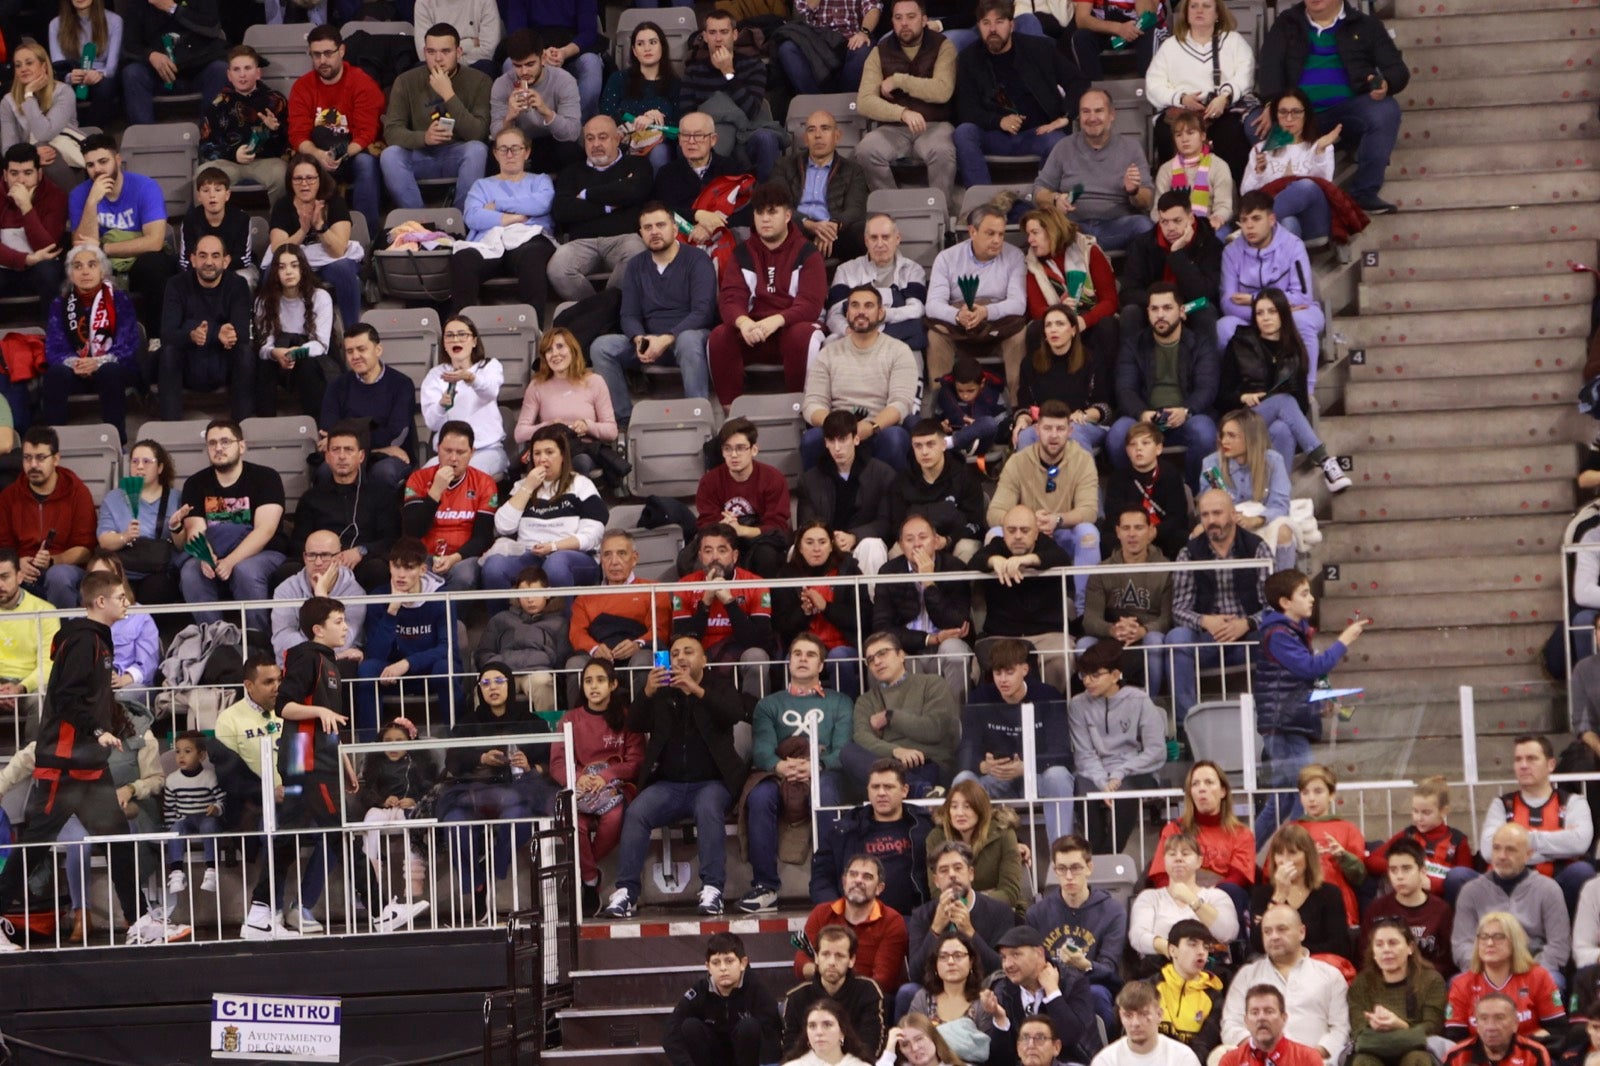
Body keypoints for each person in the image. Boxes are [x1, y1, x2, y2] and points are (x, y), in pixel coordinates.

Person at [0, 571, 187, 951]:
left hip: (89, 765)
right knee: (34, 848)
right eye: (120, 597)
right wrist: (98, 730)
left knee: (118, 843)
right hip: (63, 764)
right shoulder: (84, 640)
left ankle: (139, 923)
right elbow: (67, 697)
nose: (126, 603)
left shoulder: (94, 641)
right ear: (100, 602)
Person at [601, 633, 748, 919]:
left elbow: (733, 713)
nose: (681, 657)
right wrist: (646, 692)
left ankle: (712, 889)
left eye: (689, 652)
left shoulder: (719, 685)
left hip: (712, 782)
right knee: (637, 811)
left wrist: (696, 690)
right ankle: (626, 892)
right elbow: (634, 723)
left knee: (708, 809)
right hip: (668, 784)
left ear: (704, 660)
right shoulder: (662, 691)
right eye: (676, 652)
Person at [1253, 0, 1406, 216]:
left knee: (1385, 110)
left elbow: (1397, 70)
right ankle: (1270, 200)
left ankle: (1363, 193)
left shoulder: (1365, 25)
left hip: (1346, 113)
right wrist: (1271, 103)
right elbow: (1269, 67)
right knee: (1255, 127)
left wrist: (1386, 83)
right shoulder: (1287, 23)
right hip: (1297, 115)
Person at [739, 633, 856, 913]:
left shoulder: (840, 702)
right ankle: (765, 887)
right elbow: (763, 751)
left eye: (810, 654)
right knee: (759, 797)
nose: (802, 659)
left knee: (825, 791)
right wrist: (781, 767)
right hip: (782, 771)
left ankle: (832, 881)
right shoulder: (769, 704)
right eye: (797, 654)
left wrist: (816, 765)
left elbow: (843, 750)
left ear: (821, 665)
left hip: (825, 770)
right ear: (788, 662)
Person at [1252, 569, 1369, 837]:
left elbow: (1300, 679)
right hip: (1285, 725)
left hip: (1290, 723)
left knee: (1283, 801)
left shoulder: (1291, 632)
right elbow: (1310, 668)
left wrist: (1322, 701)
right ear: (1285, 603)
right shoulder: (1279, 634)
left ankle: (1245, 861)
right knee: (1305, 794)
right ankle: (1299, 850)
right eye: (1304, 594)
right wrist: (1343, 641)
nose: (1312, 599)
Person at [588, 203, 718, 430]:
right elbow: (629, 313)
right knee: (602, 346)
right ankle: (623, 420)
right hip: (650, 340)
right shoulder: (636, 265)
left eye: (660, 225)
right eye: (647, 228)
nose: (654, 231)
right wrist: (639, 338)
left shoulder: (697, 259)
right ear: (641, 234)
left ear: (675, 229)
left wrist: (666, 338)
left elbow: (703, 311)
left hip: (689, 338)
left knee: (688, 340)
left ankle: (699, 415)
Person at [434, 661, 546, 925]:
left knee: (519, 817)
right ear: (479, 690)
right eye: (485, 683)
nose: (492, 688)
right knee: (454, 823)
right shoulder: (468, 723)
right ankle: (477, 886)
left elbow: (548, 760)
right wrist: (481, 757)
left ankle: (489, 870)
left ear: (509, 684)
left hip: (515, 792)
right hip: (474, 792)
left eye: (499, 681)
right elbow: (453, 760)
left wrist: (530, 765)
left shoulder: (530, 721)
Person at [710, 181, 827, 405]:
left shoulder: (808, 253)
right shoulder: (743, 252)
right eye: (760, 212)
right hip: (753, 332)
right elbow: (730, 299)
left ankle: (801, 408)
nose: (765, 219)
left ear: (787, 215)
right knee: (719, 335)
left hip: (791, 329)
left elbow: (811, 305)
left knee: (803, 335)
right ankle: (731, 413)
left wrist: (777, 320)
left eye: (772, 212)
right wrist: (744, 323)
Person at [952, 0, 1089, 189]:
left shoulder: (1040, 48)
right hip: (994, 135)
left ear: (1011, 24)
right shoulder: (969, 58)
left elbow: (1078, 82)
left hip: (1038, 133)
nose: (992, 29)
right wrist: (998, 121)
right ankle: (980, 201)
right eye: (986, 23)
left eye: (999, 22)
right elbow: (966, 109)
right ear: (978, 27)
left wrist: (1065, 117)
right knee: (963, 132)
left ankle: (1046, 200)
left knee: (1057, 142)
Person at [1222, 288, 1350, 489]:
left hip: (1274, 425)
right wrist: (1243, 397)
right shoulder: (1239, 343)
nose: (1265, 318)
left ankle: (1276, 493)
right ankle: (1324, 461)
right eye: (1260, 312)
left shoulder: (1294, 350)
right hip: (1242, 422)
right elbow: (1220, 396)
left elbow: (1301, 403)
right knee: (1284, 401)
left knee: (1283, 429)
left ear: (1283, 313)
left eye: (1272, 311)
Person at [954, 637, 1075, 849]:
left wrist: (1027, 767)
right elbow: (967, 747)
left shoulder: (1047, 695)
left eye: (1009, 672)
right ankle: (965, 856)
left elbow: (1061, 751)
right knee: (963, 780)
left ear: (1025, 669)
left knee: (1059, 776)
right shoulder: (979, 698)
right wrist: (982, 765)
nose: (1003, 679)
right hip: (996, 778)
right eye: (997, 673)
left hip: (1037, 776)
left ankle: (1062, 855)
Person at [1167, 489, 1273, 727]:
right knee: (1177, 638)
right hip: (1207, 639)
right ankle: (1189, 725)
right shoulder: (1189, 553)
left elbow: (1272, 606)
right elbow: (1179, 609)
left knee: (1274, 634)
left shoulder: (1257, 548)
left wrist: (1246, 623)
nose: (1211, 520)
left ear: (1233, 514)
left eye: (1217, 513)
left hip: (1247, 635)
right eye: (1205, 515)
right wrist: (1205, 621)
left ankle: (1267, 719)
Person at [550, 657, 645, 914]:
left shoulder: (627, 718)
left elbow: (636, 762)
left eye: (600, 680)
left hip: (616, 788)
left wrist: (608, 775)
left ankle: (580, 872)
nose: (594, 687)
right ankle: (590, 879)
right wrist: (578, 777)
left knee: (615, 817)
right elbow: (558, 762)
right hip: (580, 789)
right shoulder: (570, 719)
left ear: (613, 684)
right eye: (588, 681)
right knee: (574, 824)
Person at [987, 398, 1100, 615]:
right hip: (1028, 537)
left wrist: (1057, 520)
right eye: (1048, 428)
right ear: (1037, 430)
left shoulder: (1083, 459)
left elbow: (1089, 510)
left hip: (1064, 533)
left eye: (1060, 429)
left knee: (1088, 533)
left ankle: (1083, 612)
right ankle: (1001, 611)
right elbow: (994, 513)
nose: (1054, 435)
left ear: (1070, 430)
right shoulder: (1018, 461)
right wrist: (1029, 523)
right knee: (994, 534)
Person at [175, 419, 288, 635]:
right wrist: (204, 555)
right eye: (212, 443)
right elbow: (194, 528)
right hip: (215, 551)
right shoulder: (195, 483)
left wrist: (230, 561)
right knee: (191, 571)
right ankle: (214, 640)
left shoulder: (266, 478)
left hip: (263, 552)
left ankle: (258, 641)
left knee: (245, 571)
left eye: (225, 441)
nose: (218, 448)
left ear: (241, 446)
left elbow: (265, 530)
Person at [1107, 283, 1221, 488]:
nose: (1160, 315)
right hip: (1145, 419)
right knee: (1116, 435)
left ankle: (1196, 494)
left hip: (1186, 417)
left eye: (1167, 308)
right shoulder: (1134, 345)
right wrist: (1142, 413)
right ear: (1148, 313)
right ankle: (1136, 492)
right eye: (1154, 309)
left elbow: (1207, 386)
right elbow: (1125, 388)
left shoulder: (1199, 343)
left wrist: (1186, 410)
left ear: (1182, 311)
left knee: (1205, 433)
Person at [69, 132, 178, 338]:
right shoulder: (79, 195)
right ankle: (88, 343)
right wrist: (92, 202)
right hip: (104, 268)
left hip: (140, 264)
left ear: (117, 160)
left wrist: (104, 248)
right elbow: (81, 249)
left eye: (103, 161)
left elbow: (154, 242)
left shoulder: (145, 187)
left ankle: (158, 339)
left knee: (155, 265)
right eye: (91, 165)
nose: (97, 169)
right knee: (79, 269)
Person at [802, 286, 920, 472]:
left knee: (895, 438)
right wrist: (838, 428)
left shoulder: (899, 351)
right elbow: (812, 404)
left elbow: (901, 404)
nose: (861, 312)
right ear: (847, 313)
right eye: (855, 306)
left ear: (881, 313)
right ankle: (819, 499)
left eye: (868, 306)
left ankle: (893, 500)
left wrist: (871, 427)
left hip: (879, 429)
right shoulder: (828, 353)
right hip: (837, 432)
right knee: (812, 439)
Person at [1478, 735, 1597, 915]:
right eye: (1518, 759)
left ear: (1551, 764)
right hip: (1510, 881)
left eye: (1531, 758)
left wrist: (1518, 842)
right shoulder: (1501, 805)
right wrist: (1557, 846)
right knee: (1459, 877)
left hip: (1558, 883)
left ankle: (1569, 938)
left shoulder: (1573, 802)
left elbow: (1579, 843)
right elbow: (1488, 851)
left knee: (1581, 871)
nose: (1523, 765)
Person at [379, 23, 492, 213]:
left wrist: (448, 95)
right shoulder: (406, 81)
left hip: (456, 154)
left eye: (445, 51)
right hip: (421, 155)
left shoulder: (480, 80)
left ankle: (460, 221)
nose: (438, 59)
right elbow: (391, 132)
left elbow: (478, 133)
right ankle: (421, 222)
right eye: (431, 52)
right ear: (424, 52)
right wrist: (424, 137)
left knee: (477, 150)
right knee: (389, 155)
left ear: (459, 52)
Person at [1068, 639, 1167, 853]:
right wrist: (1104, 782)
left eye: (1095, 675)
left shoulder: (1139, 699)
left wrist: (1120, 773)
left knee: (1125, 793)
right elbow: (1084, 754)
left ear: (1115, 675)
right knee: (1084, 793)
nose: (1087, 681)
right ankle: (1100, 858)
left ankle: (1107, 858)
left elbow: (1156, 751)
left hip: (1134, 770)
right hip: (1094, 773)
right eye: (1084, 675)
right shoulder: (1077, 704)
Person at [355, 538, 462, 736]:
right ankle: (369, 751)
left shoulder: (441, 597)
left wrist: (407, 663)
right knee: (368, 669)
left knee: (445, 668)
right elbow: (375, 653)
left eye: (409, 568)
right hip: (392, 675)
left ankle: (459, 740)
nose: (401, 575)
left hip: (428, 671)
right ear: (389, 566)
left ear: (422, 570)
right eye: (396, 567)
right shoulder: (379, 596)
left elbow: (446, 648)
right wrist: (392, 610)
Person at [1215, 192, 1323, 388]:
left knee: (1303, 321)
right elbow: (1228, 302)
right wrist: (1261, 314)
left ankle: (1307, 390)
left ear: (1271, 219)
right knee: (1224, 328)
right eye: (1244, 220)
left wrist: (1255, 300)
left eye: (1256, 219)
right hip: (1251, 316)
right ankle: (1236, 393)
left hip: (1294, 313)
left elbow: (1302, 297)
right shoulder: (1231, 252)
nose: (1249, 226)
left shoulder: (1293, 246)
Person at [449, 126, 557, 316]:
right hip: (488, 243)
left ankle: (534, 330)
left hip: (529, 240)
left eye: (515, 148)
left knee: (533, 257)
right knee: (463, 259)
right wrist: (514, 218)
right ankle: (461, 329)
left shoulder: (540, 181)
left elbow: (542, 204)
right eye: (503, 149)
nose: (509, 154)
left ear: (527, 152)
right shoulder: (481, 186)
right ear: (495, 154)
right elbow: (472, 216)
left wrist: (498, 205)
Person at [924, 205, 1028, 400]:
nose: (997, 240)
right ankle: (942, 405)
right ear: (973, 231)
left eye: (1001, 234)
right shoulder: (947, 258)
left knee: (1019, 334)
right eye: (990, 233)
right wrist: (957, 315)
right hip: (958, 326)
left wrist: (986, 312)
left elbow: (1018, 304)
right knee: (935, 335)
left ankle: (1018, 406)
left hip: (997, 326)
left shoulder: (1015, 256)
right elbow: (933, 305)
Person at [854, 0, 957, 196]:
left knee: (942, 152)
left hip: (935, 125)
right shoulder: (879, 51)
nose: (904, 23)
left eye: (911, 17)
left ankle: (939, 213)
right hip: (893, 127)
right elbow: (865, 101)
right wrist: (902, 113)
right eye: (898, 18)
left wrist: (900, 81)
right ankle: (892, 209)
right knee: (865, 150)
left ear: (924, 19)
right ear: (892, 21)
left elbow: (943, 90)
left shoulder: (943, 46)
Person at [1220, 906, 1351, 1061]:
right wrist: (1263, 1055)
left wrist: (1306, 1058)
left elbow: (1341, 1029)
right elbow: (1231, 1026)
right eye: (1267, 931)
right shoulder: (1247, 975)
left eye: (1282, 929)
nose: (1274, 936)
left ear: (1302, 932)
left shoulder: (1330, 976)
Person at [488, 424, 608, 591]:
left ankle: (564, 617)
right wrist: (528, 487)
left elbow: (592, 535)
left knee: (556, 563)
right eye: (537, 453)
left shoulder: (581, 484)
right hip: (530, 555)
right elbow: (503, 527)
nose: (542, 459)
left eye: (549, 452)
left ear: (563, 455)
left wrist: (554, 546)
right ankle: (502, 617)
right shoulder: (522, 486)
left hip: (573, 556)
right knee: (494, 566)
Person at [547, 116, 654, 302]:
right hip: (581, 243)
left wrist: (587, 194)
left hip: (624, 238)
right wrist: (609, 204)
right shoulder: (571, 172)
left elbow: (635, 192)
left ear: (617, 139)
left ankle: (606, 309)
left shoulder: (637, 164)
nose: (596, 144)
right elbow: (562, 211)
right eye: (590, 138)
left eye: (603, 137)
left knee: (637, 257)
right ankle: (597, 309)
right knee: (557, 268)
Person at [1035, 89, 1156, 253]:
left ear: (1112, 115)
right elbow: (1039, 191)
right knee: (1043, 230)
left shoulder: (1131, 148)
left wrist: (1134, 191)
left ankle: (1132, 279)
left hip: (1116, 227)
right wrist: (1055, 199)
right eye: (1086, 112)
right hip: (1073, 228)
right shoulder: (1063, 146)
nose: (1092, 118)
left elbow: (1147, 200)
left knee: (1144, 226)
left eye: (1098, 111)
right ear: (1079, 116)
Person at [842, 635, 961, 800]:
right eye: (870, 659)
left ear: (901, 655)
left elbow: (934, 729)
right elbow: (862, 737)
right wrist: (896, 751)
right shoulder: (866, 701)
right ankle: (920, 791)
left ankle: (916, 789)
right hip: (886, 766)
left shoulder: (932, 683)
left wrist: (890, 717)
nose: (876, 662)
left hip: (926, 762)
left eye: (883, 653)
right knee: (848, 752)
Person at [1143, 0, 1253, 180]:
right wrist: (1181, 98)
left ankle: (1230, 197)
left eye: (1206, 6)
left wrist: (1225, 96)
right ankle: (1176, 198)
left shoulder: (1233, 41)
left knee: (1231, 133)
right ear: (1186, 13)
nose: (1199, 10)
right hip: (1182, 111)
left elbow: (1245, 74)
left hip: (1221, 110)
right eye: (1193, 6)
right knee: (1166, 131)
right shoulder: (1171, 46)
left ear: (1217, 14)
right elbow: (1154, 84)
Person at [288, 26, 384, 230]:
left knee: (366, 165)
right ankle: (302, 230)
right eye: (316, 54)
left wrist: (340, 154)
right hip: (317, 151)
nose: (322, 60)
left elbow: (367, 132)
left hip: (353, 151)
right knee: (298, 168)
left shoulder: (361, 83)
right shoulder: (302, 87)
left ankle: (367, 234)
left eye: (328, 53)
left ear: (341, 51)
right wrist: (319, 154)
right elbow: (297, 134)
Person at [1029, 834, 1130, 1027]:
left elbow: (1109, 968)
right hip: (1051, 984)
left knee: (1096, 995)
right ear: (1054, 870)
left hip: (1094, 984)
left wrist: (1085, 965)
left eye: (1075, 868)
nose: (1069, 876)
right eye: (1062, 868)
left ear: (1089, 868)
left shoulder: (1112, 911)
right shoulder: (1037, 913)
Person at [871, 514, 975, 699]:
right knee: (895, 657)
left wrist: (928, 582)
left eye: (923, 538)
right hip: (909, 648)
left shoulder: (954, 567)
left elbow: (958, 623)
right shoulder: (889, 571)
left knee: (954, 650)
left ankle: (956, 721)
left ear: (936, 541)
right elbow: (883, 628)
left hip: (947, 645)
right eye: (909, 540)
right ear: (901, 545)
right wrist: (930, 639)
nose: (917, 544)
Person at [43, 245, 139, 443]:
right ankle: (52, 443)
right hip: (75, 371)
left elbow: (128, 343)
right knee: (55, 374)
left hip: (113, 368)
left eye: (91, 265)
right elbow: (54, 347)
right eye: (78, 266)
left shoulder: (119, 299)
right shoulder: (59, 304)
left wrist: (98, 362)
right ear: (70, 274)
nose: (85, 271)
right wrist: (74, 363)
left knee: (110, 371)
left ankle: (116, 441)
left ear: (102, 270)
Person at [287, 422, 400, 591]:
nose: (341, 456)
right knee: (286, 571)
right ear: (327, 456)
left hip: (363, 560)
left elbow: (391, 539)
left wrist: (361, 551)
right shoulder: (311, 497)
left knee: (378, 569)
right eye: (335, 450)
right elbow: (298, 542)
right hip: (319, 560)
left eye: (348, 450)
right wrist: (322, 557)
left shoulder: (381, 495)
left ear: (361, 456)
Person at [971, 505, 1073, 692]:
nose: (1018, 536)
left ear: (1036, 533)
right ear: (1003, 532)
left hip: (1047, 634)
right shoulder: (997, 547)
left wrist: (1028, 560)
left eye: (1025, 531)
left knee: (1062, 658)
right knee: (978, 665)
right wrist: (994, 561)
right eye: (1011, 530)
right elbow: (974, 562)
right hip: (1002, 634)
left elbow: (1061, 558)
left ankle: (1051, 711)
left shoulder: (1048, 546)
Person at [813, 758, 932, 917]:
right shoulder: (844, 829)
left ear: (904, 790)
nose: (881, 793)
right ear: (868, 790)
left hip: (914, 920)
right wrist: (836, 913)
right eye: (875, 787)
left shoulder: (924, 825)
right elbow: (821, 878)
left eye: (888, 787)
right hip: (859, 923)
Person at [564, 529, 674, 700]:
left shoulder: (654, 590)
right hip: (600, 658)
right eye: (607, 555)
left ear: (634, 558)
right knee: (575, 664)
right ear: (600, 560)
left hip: (639, 653)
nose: (614, 562)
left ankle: (642, 722)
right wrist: (594, 649)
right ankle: (579, 723)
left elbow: (661, 630)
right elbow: (577, 633)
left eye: (622, 554)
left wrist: (638, 644)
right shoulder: (584, 596)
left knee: (644, 661)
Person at [157, 233, 255, 422]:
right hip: (189, 364)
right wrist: (201, 333)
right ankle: (170, 427)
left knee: (245, 352)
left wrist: (190, 327)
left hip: (222, 364)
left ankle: (244, 425)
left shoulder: (238, 284)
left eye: (215, 256)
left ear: (226, 261)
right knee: (169, 352)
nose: (209, 262)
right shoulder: (176, 285)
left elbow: (241, 335)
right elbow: (167, 334)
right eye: (202, 256)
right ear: (193, 260)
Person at [676, 11, 785, 181]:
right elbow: (686, 116)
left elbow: (752, 111)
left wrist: (728, 73)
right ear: (704, 37)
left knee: (767, 139)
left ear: (734, 35)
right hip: (711, 136)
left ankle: (766, 199)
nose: (718, 39)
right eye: (712, 33)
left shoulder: (754, 66)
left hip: (748, 131)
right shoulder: (694, 71)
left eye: (724, 32)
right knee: (691, 142)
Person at [1452, 826, 1570, 980]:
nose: (1502, 856)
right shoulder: (1471, 891)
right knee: (1456, 983)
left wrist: (1528, 973)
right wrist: (1491, 972)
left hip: (1533, 969)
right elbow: (1461, 946)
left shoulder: (1548, 889)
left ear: (1528, 855)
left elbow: (1559, 946)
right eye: (1496, 848)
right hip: (1485, 969)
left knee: (1554, 981)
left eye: (1510, 850)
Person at [672, 524, 775, 699]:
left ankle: (753, 716)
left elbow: (759, 642)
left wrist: (729, 602)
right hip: (701, 656)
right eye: (708, 551)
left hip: (739, 655)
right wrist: (706, 602)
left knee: (757, 656)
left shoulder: (755, 583)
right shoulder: (685, 585)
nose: (715, 557)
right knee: (683, 655)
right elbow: (683, 639)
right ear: (700, 556)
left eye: (722, 550)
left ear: (734, 556)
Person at [354, 716, 438, 927]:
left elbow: (430, 788)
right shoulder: (376, 765)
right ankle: (369, 880)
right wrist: (382, 800)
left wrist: (414, 800)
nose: (393, 746)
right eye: (387, 741)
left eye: (399, 740)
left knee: (411, 821)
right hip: (384, 808)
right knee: (370, 818)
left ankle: (413, 882)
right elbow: (367, 791)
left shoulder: (418, 764)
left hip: (407, 808)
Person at [1147, 760, 1256, 923]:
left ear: (1223, 791)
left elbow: (1238, 877)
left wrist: (1205, 898)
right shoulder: (1174, 829)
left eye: (1209, 782)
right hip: (1180, 898)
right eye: (1195, 784)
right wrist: (1184, 896)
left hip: (1222, 900)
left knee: (1232, 891)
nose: (1202, 788)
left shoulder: (1242, 834)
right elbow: (1161, 875)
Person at [1078, 506, 1172, 694]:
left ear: (1151, 531)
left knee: (1154, 641)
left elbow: (1167, 618)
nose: (1132, 534)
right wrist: (1112, 629)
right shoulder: (1101, 570)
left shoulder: (1165, 568)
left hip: (1147, 634)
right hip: (1111, 635)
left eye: (1138, 528)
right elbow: (1090, 619)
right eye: (1126, 528)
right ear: (1118, 532)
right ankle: (1094, 703)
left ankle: (1151, 703)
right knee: (1083, 645)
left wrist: (1144, 630)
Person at [0, 427, 94, 611]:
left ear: (56, 459)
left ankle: (65, 636)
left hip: (65, 568)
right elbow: (4, 545)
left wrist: (54, 560)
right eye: (27, 458)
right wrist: (17, 562)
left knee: (57, 576)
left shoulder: (77, 492)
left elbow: (86, 548)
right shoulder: (9, 497)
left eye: (41, 458)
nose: (33, 465)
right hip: (22, 569)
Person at [270, 153, 365, 331]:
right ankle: (276, 332)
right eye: (298, 179)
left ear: (319, 179)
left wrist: (320, 226)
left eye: (310, 178)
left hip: (329, 263)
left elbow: (338, 250)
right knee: (270, 272)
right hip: (296, 264)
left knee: (344, 269)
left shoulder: (335, 202)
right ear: (290, 181)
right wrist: (303, 230)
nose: (304, 184)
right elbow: (278, 251)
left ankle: (353, 332)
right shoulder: (283, 205)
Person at [400, 422, 501, 592]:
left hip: (463, 556)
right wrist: (435, 492)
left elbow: (483, 537)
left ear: (472, 453)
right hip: (423, 555)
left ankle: (451, 618)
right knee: (408, 574)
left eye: (461, 452)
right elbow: (412, 531)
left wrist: (454, 558)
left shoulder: (485, 483)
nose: (453, 458)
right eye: (447, 451)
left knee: (464, 577)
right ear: (438, 449)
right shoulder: (418, 478)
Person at [1022, 211, 1120, 384]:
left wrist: (1083, 321)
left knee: (1108, 325)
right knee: (1035, 330)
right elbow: (1037, 310)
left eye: (1034, 233)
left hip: (1090, 319)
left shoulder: (1088, 251)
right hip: (1056, 322)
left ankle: (1105, 396)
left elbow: (1110, 301)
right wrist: (1059, 313)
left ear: (1052, 230)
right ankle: (1044, 395)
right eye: (1028, 234)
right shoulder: (1033, 264)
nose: (1030, 240)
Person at [771, 527, 869, 697]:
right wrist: (803, 612)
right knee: (793, 658)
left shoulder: (849, 570)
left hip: (845, 645)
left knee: (839, 656)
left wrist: (826, 607)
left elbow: (863, 617)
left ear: (831, 546)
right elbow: (782, 626)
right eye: (809, 542)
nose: (816, 548)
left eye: (822, 542)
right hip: (806, 644)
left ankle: (847, 711)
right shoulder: (787, 574)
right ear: (799, 548)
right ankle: (793, 714)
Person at [798, 410, 897, 578]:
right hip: (824, 544)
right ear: (825, 443)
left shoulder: (882, 473)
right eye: (832, 440)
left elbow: (885, 522)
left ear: (856, 439)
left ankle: (871, 603)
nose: (837, 448)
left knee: (872, 546)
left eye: (843, 440)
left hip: (861, 544)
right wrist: (827, 540)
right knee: (797, 548)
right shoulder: (809, 479)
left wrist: (854, 537)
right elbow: (806, 523)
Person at [907, 842, 1019, 990]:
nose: (952, 875)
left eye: (958, 868)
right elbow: (915, 974)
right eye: (944, 870)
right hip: (939, 989)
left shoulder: (1000, 911)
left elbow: (1001, 968)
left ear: (971, 873)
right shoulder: (921, 915)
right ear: (936, 881)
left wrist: (969, 931)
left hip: (985, 988)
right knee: (907, 992)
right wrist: (936, 928)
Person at [985, 925, 1102, 1066]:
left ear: (1039, 953)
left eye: (1016, 955)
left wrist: (1053, 993)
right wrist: (1000, 1019)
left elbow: (1071, 1037)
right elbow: (999, 1060)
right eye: (1003, 958)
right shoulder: (1003, 990)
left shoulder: (1073, 982)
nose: (1007, 964)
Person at [663, 932, 785, 1066]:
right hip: (712, 1059)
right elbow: (670, 1032)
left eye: (729, 961)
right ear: (708, 967)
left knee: (749, 1026)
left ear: (743, 963)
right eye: (716, 963)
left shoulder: (757, 989)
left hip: (747, 1058)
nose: (723, 968)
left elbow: (772, 1034)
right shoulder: (700, 991)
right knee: (690, 1026)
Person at [692, 418, 793, 579]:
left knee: (767, 556)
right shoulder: (709, 481)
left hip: (758, 539)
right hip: (722, 537)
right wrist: (724, 528)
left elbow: (777, 526)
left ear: (754, 450)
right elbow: (706, 521)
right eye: (727, 449)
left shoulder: (773, 478)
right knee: (691, 558)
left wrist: (741, 530)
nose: (734, 455)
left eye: (740, 448)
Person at [319, 324, 417, 490]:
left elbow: (397, 433)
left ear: (378, 350)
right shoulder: (337, 386)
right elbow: (330, 430)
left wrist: (352, 440)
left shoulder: (401, 384)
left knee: (382, 473)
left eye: (361, 349)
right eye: (350, 351)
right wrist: (378, 448)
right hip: (350, 454)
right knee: (325, 472)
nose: (355, 356)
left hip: (388, 459)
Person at [512, 329, 617, 481]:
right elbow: (520, 433)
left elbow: (612, 431)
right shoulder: (537, 385)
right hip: (549, 451)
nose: (554, 354)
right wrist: (548, 426)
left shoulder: (595, 382)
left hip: (582, 449)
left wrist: (587, 426)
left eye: (560, 346)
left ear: (572, 350)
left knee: (579, 463)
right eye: (549, 350)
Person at [1445, 912, 1566, 1043]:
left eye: (1498, 937)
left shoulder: (1538, 977)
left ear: (1515, 942)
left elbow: (1557, 1030)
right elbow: (1455, 1038)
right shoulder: (1461, 984)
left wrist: (1517, 1048)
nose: (1489, 943)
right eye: (1484, 937)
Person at [801, 853, 913, 991]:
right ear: (844, 882)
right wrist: (828, 977)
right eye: (853, 874)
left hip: (870, 997)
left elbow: (884, 979)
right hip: (824, 991)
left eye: (867, 877)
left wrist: (838, 978)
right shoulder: (821, 913)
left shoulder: (892, 920)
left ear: (879, 888)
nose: (858, 880)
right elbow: (802, 963)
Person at [1240, 90, 1340, 246]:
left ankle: (1251, 230)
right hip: (1280, 225)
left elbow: (1325, 185)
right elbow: (1246, 195)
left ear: (1306, 114)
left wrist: (1319, 152)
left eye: (1296, 112)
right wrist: (1258, 173)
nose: (1289, 118)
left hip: (1314, 223)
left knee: (1306, 185)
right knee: (1288, 222)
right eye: (1283, 112)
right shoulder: (1261, 149)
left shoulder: (1321, 146)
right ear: (1275, 115)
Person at [253, 243, 339, 421]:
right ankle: (265, 427)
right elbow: (263, 346)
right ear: (275, 272)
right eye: (282, 267)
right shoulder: (264, 301)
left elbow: (322, 345)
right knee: (263, 366)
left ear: (303, 268)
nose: (288, 272)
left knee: (307, 365)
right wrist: (274, 353)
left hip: (310, 356)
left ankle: (318, 427)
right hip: (279, 356)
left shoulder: (320, 297)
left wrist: (297, 352)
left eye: (294, 265)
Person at [1349, 917, 1448, 1066]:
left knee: (1417, 1059)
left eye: (1393, 943)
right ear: (1373, 951)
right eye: (1379, 945)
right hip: (1373, 1052)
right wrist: (1410, 1033)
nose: (1386, 950)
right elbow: (1360, 1035)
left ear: (1410, 947)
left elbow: (1432, 1027)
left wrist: (1400, 1025)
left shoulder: (1431, 980)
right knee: (1363, 1061)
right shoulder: (1361, 984)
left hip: (1419, 1051)